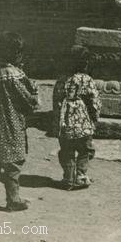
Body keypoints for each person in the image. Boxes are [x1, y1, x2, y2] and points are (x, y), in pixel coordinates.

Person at [0, 32, 39, 211]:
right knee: (13, 165)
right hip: (10, 126)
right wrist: (34, 93)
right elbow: (28, 101)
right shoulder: (14, 76)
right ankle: (13, 200)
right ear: (17, 54)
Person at [52, 45, 102, 190]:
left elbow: (56, 99)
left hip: (65, 123)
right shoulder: (86, 79)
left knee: (66, 150)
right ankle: (80, 176)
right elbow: (94, 101)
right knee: (84, 149)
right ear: (85, 63)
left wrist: (56, 120)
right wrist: (94, 117)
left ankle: (68, 177)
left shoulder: (62, 79)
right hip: (82, 122)